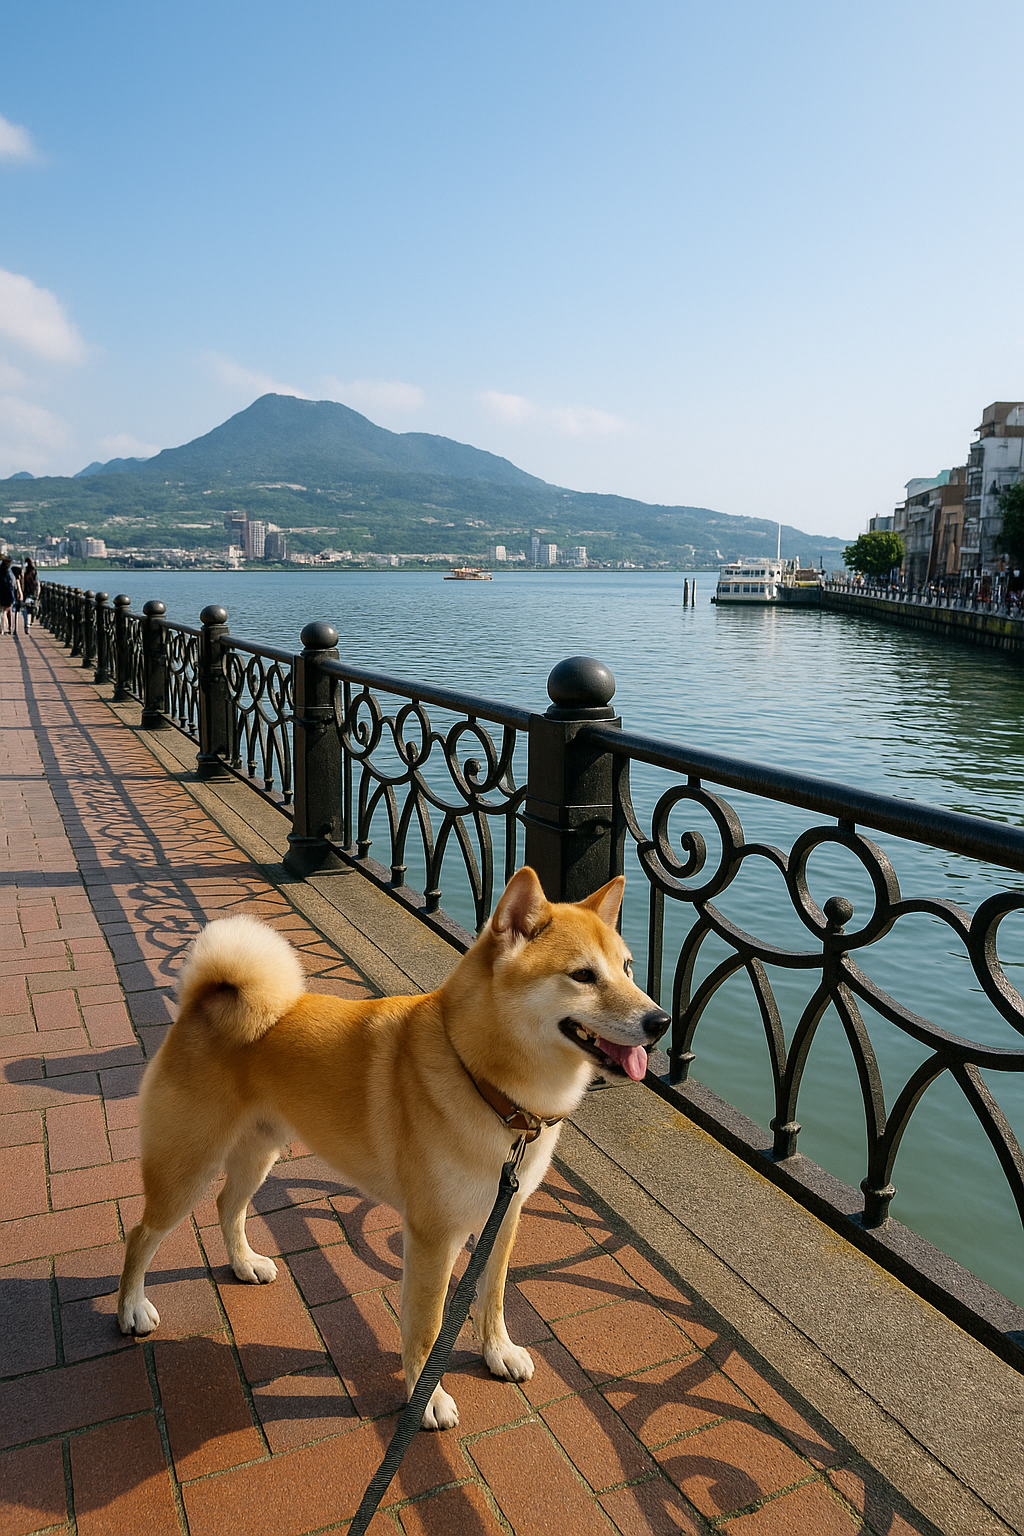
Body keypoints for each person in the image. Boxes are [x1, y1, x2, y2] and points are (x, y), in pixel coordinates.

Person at [0, 556, 19, 636]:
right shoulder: (9, 573)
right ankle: (9, 627)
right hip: (8, 594)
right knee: (7, 611)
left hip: (0, 593)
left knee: (2, 611)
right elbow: (12, 585)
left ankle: (2, 629)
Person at [20, 556, 38, 631]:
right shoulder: (34, 571)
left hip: (25, 592)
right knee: (32, 608)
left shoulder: (24, 571)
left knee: (25, 608)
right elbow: (37, 582)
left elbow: (21, 580)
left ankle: (26, 623)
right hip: (33, 591)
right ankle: (29, 622)